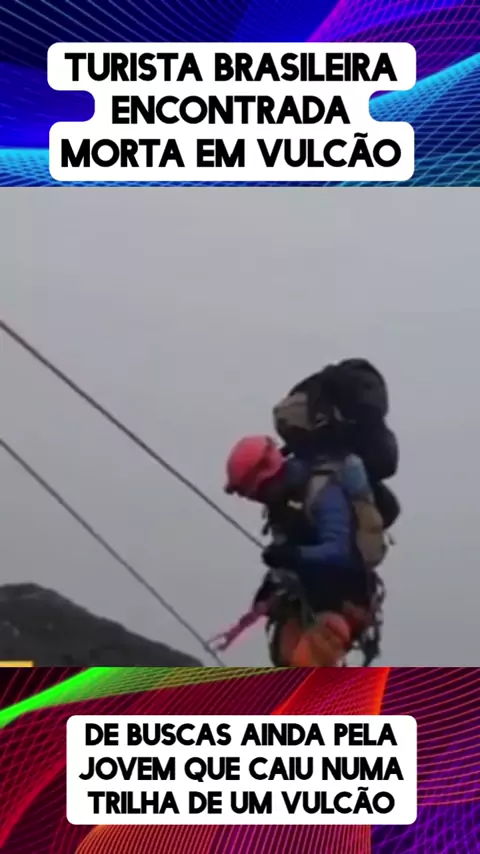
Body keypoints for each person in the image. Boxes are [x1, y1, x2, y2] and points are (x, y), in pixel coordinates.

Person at [221, 434, 386, 667]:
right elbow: (288, 559)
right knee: (285, 659)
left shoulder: (322, 491)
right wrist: (266, 594)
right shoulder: (283, 505)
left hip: (344, 600)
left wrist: (293, 555)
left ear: (267, 476)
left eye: (257, 493)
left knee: (307, 661)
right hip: (306, 600)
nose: (258, 500)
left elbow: (341, 552)